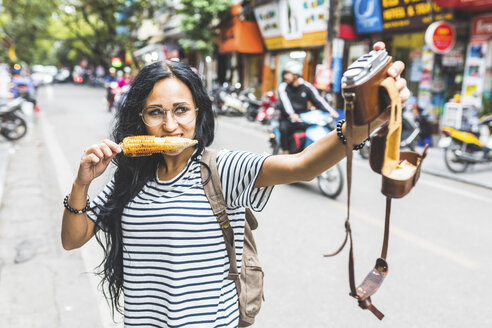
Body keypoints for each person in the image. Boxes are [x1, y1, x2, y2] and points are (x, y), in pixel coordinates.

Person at [61, 42, 409, 327]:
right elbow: (72, 239)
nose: (170, 125)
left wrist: (368, 118)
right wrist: (82, 182)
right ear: (140, 118)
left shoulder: (221, 169)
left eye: (181, 110)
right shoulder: (128, 178)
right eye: (156, 112)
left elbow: (303, 165)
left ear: (198, 113)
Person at [277, 60, 339, 154]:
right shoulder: (283, 87)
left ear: (296, 75)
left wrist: (331, 111)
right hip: (288, 118)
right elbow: (285, 103)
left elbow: (318, 100)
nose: (285, 76)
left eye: (288, 74)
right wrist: (291, 114)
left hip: (304, 118)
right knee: (284, 128)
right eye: (285, 74)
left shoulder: (307, 87)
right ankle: (285, 152)